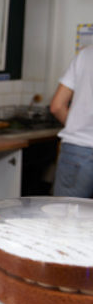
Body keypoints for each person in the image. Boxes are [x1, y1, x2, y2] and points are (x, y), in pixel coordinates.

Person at [49, 45, 93, 198]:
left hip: (77, 150)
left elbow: (56, 106)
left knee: (65, 217)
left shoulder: (86, 54)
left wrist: (78, 125)